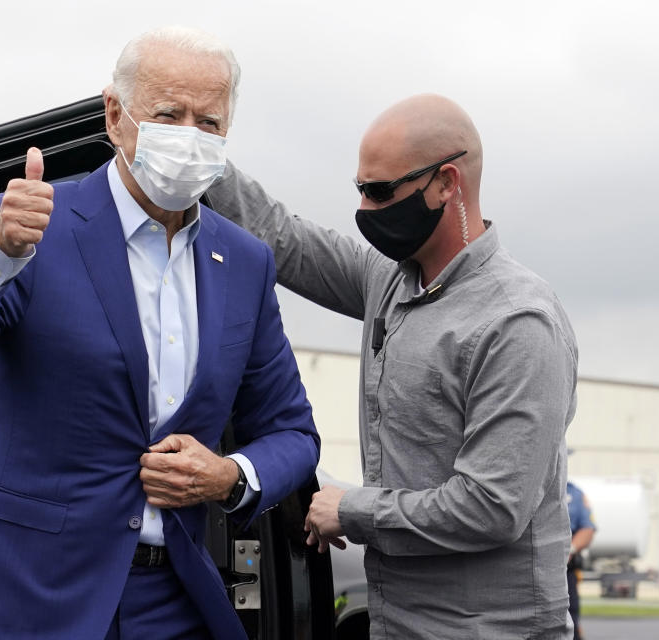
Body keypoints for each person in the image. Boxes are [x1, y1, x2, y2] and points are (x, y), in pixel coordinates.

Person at [0, 26, 319, 640]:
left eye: (209, 123)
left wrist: (229, 476)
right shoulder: (35, 228)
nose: (190, 138)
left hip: (174, 599)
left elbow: (293, 433)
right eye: (169, 114)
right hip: (28, 596)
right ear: (115, 116)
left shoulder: (245, 263)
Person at [205, 94, 578, 639]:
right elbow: (282, 235)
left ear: (448, 182)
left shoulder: (518, 322)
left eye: (381, 192)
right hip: (395, 622)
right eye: (360, 190)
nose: (367, 211)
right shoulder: (390, 280)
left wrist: (352, 510)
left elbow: (492, 507)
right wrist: (193, 145)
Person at [567, 480, 596, 640]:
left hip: (565, 570)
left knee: (570, 621)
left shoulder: (574, 493)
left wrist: (569, 550)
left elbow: (588, 528)